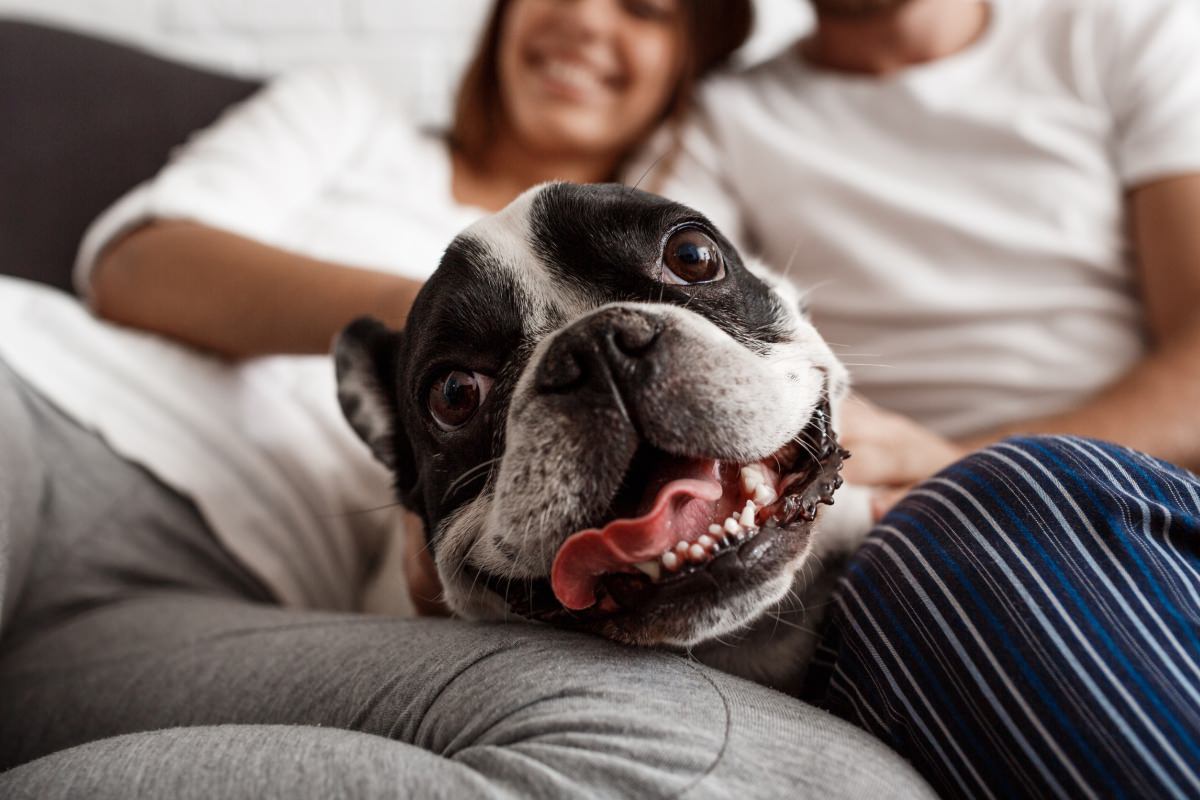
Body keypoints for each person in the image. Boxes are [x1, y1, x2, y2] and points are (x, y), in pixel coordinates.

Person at [0, 5, 924, 797]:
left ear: (691, 67)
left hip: (193, 603)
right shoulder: (354, 116)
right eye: (455, 393)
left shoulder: (707, 189)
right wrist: (442, 319)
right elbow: (137, 264)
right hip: (45, 406)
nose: (586, 20)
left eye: (644, 7)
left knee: (719, 758)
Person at [642, 0, 1200, 796]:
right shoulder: (723, 120)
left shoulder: (1121, 30)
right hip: (911, 542)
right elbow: (637, 305)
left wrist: (965, 465)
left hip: (1135, 493)